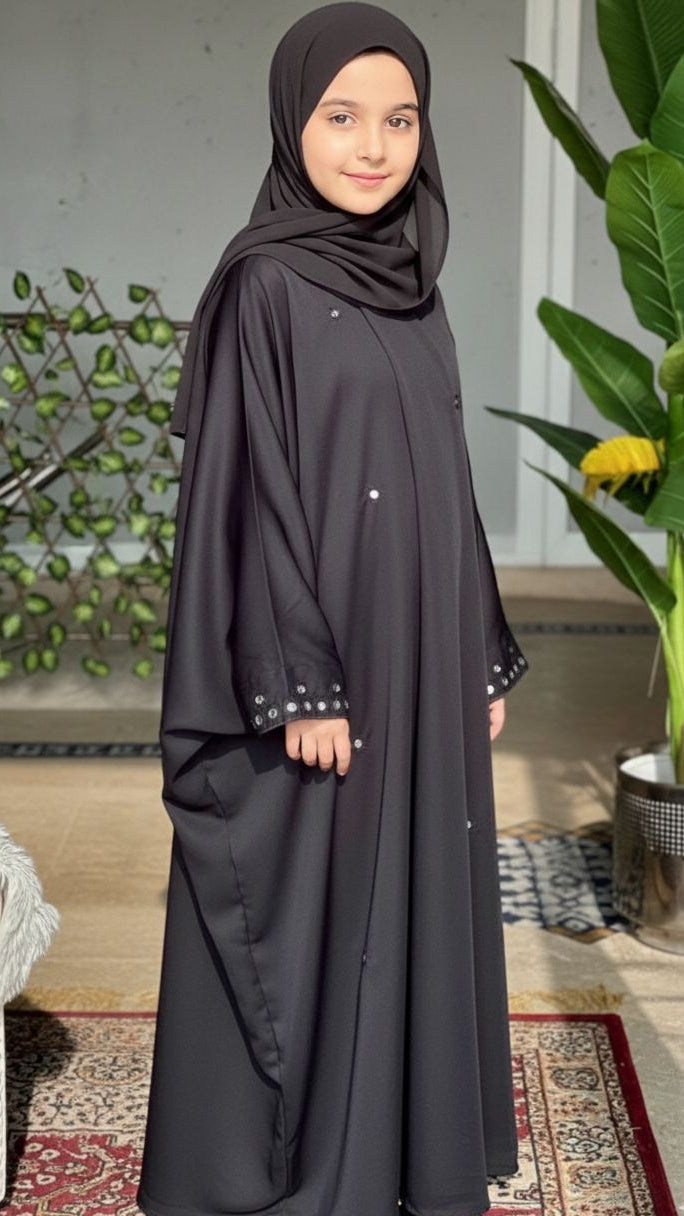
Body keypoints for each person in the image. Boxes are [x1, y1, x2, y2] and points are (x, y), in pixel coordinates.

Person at [136, 5, 529, 1216]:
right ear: (292, 121)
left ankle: (408, 1157)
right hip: (323, 668)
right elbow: (246, 494)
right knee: (320, 902)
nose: (374, 146)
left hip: (418, 649)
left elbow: (447, 480)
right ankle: (299, 1171)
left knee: (409, 885)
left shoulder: (417, 274)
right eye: (342, 116)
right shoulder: (263, 283)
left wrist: (476, 655)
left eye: (399, 118)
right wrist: (300, 681)